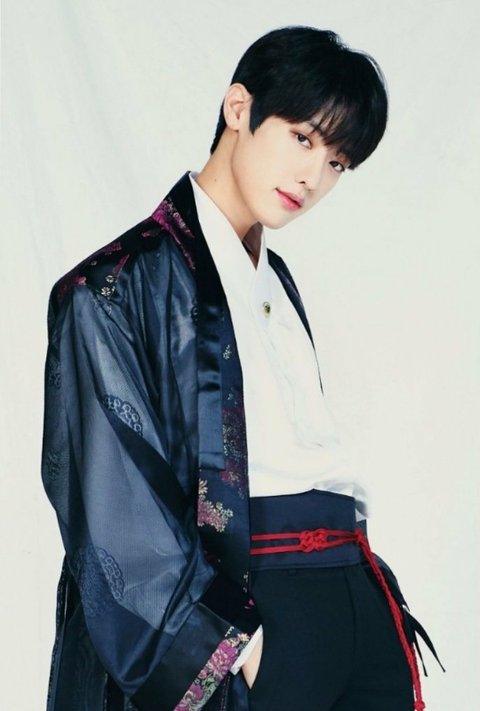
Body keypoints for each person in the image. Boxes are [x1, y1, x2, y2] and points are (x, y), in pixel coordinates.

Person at [42, 25, 438, 711]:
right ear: (238, 107)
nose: (314, 178)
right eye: (303, 138)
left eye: (337, 163)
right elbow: (113, 513)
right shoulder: (112, 288)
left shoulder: (276, 282)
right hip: (259, 613)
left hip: (356, 592)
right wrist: (236, 647)